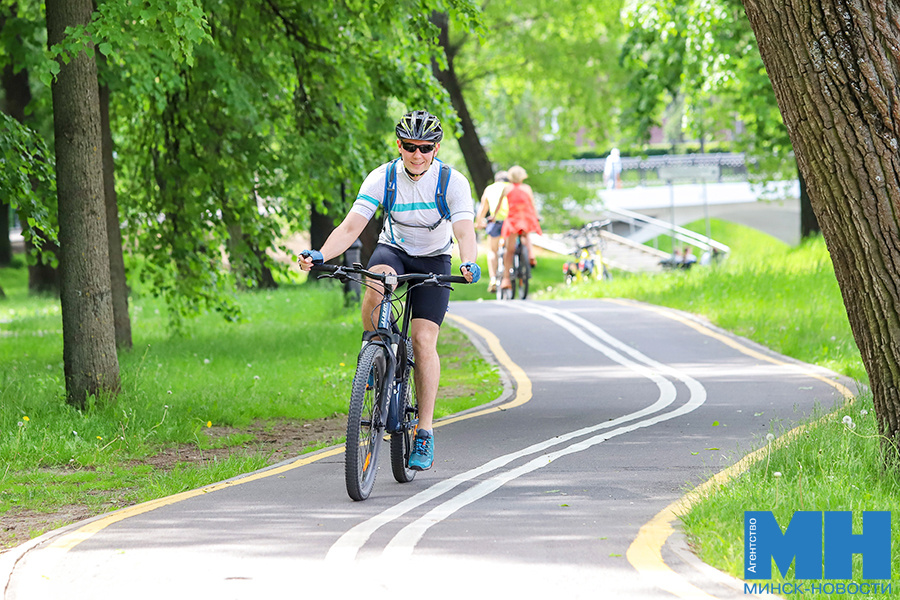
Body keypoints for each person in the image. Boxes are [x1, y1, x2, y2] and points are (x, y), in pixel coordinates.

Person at [298, 110, 480, 471]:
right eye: (410, 147)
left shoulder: (452, 182)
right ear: (399, 146)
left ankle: (424, 432)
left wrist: (469, 262)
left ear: (436, 148)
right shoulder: (383, 177)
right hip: (393, 250)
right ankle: (376, 347)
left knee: (424, 341)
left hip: (433, 259)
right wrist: (319, 253)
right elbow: (351, 227)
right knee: (376, 279)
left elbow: (464, 231)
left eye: (425, 148)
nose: (417, 155)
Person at [499, 165, 541, 290]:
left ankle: (506, 279)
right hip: (526, 218)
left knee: (509, 250)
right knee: (526, 235)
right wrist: (536, 217)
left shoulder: (507, 188)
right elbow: (532, 205)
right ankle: (531, 255)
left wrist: (493, 216)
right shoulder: (527, 188)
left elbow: (498, 206)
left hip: (513, 219)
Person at [474, 170, 510, 293]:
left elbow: (483, 208)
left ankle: (493, 279)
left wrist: (478, 223)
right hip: (511, 223)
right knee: (510, 250)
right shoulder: (511, 187)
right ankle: (509, 275)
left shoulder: (490, 188)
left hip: (496, 222)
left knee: (493, 250)